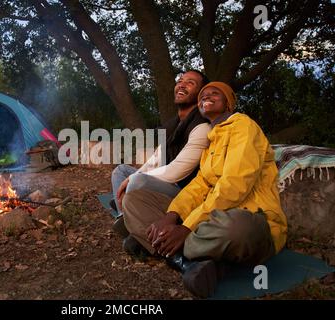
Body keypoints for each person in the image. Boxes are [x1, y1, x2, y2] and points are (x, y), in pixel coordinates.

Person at [122, 82, 288, 298]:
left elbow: (234, 185)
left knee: (237, 228)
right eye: (203, 95)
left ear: (228, 102)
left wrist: (187, 227)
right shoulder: (211, 141)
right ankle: (185, 261)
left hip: (252, 218)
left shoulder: (243, 126)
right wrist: (172, 216)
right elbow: (198, 187)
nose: (206, 96)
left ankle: (154, 241)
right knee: (133, 200)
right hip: (209, 218)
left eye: (214, 93)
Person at [110, 70, 211, 237]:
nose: (182, 84)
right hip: (169, 185)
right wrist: (133, 175)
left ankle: (133, 218)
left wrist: (134, 179)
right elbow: (155, 160)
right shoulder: (175, 124)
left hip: (185, 194)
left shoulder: (202, 126)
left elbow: (178, 170)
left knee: (137, 180)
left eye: (190, 83)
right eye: (180, 80)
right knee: (121, 171)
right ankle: (123, 216)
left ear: (201, 95)